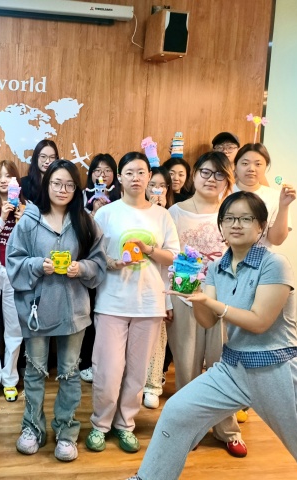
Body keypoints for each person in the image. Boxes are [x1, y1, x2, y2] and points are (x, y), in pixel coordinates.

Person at [127, 191, 297, 480]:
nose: (236, 224)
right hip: (233, 369)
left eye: (246, 218)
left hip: (280, 371)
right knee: (177, 411)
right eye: (229, 218)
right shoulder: (216, 268)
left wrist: (213, 303)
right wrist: (195, 296)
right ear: (220, 225)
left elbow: (259, 322)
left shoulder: (274, 264)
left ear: (261, 226)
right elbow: (207, 321)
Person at [7, 160, 106, 462]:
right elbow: (13, 261)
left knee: (69, 372)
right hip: (37, 310)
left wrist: (81, 268)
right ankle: (32, 428)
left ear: (76, 188)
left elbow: (99, 263)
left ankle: (66, 431)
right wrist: (38, 265)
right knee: (35, 372)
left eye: (69, 185)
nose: (62, 190)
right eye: (56, 183)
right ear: (46, 184)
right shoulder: (29, 220)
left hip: (74, 310)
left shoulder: (85, 221)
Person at [86, 152, 179, 454]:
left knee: (137, 372)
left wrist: (148, 249)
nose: (135, 178)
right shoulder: (106, 213)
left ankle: (125, 424)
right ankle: (100, 424)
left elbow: (173, 257)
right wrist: (113, 262)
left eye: (141, 172)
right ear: (119, 178)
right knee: (108, 370)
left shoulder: (162, 216)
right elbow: (93, 255)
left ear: (149, 176)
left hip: (149, 303)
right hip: (111, 302)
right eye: (129, 172)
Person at [165, 152, 247, 456]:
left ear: (228, 180)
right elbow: (166, 259)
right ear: (195, 174)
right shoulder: (174, 213)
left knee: (223, 366)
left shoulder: (233, 213)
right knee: (186, 368)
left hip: (223, 300)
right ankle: (190, 428)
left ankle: (228, 429)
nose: (212, 179)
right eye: (206, 172)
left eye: (220, 174)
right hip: (185, 299)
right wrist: (168, 300)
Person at [80, 153, 121, 384]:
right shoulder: (82, 196)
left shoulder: (121, 198)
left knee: (109, 318)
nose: (102, 175)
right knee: (88, 313)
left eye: (107, 170)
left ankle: (108, 364)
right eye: (97, 170)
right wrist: (94, 212)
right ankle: (86, 361)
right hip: (89, 264)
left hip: (115, 266)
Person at [0, 160, 25, 407]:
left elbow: (30, 242)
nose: (4, 180)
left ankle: (10, 379)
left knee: (14, 328)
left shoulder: (26, 207)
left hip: (14, 272)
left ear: (16, 181)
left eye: (9, 176)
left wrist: (22, 221)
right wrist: (1, 217)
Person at [141, 165, 175, 409]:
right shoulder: (132, 213)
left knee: (157, 340)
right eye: (153, 185)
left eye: (162, 186)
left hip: (161, 288)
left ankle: (152, 386)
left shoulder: (169, 215)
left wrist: (168, 299)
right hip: (134, 287)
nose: (157, 190)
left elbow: (172, 259)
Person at [232, 143, 296, 247]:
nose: (251, 169)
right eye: (245, 163)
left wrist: (284, 206)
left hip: (260, 257)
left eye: (258, 164)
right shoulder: (221, 193)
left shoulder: (275, 196)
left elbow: (276, 240)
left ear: (265, 167)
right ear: (235, 166)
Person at [21, 139, 59, 205]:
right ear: (36, 158)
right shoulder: (24, 183)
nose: (47, 161)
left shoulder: (60, 185)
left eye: (52, 157)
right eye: (43, 157)